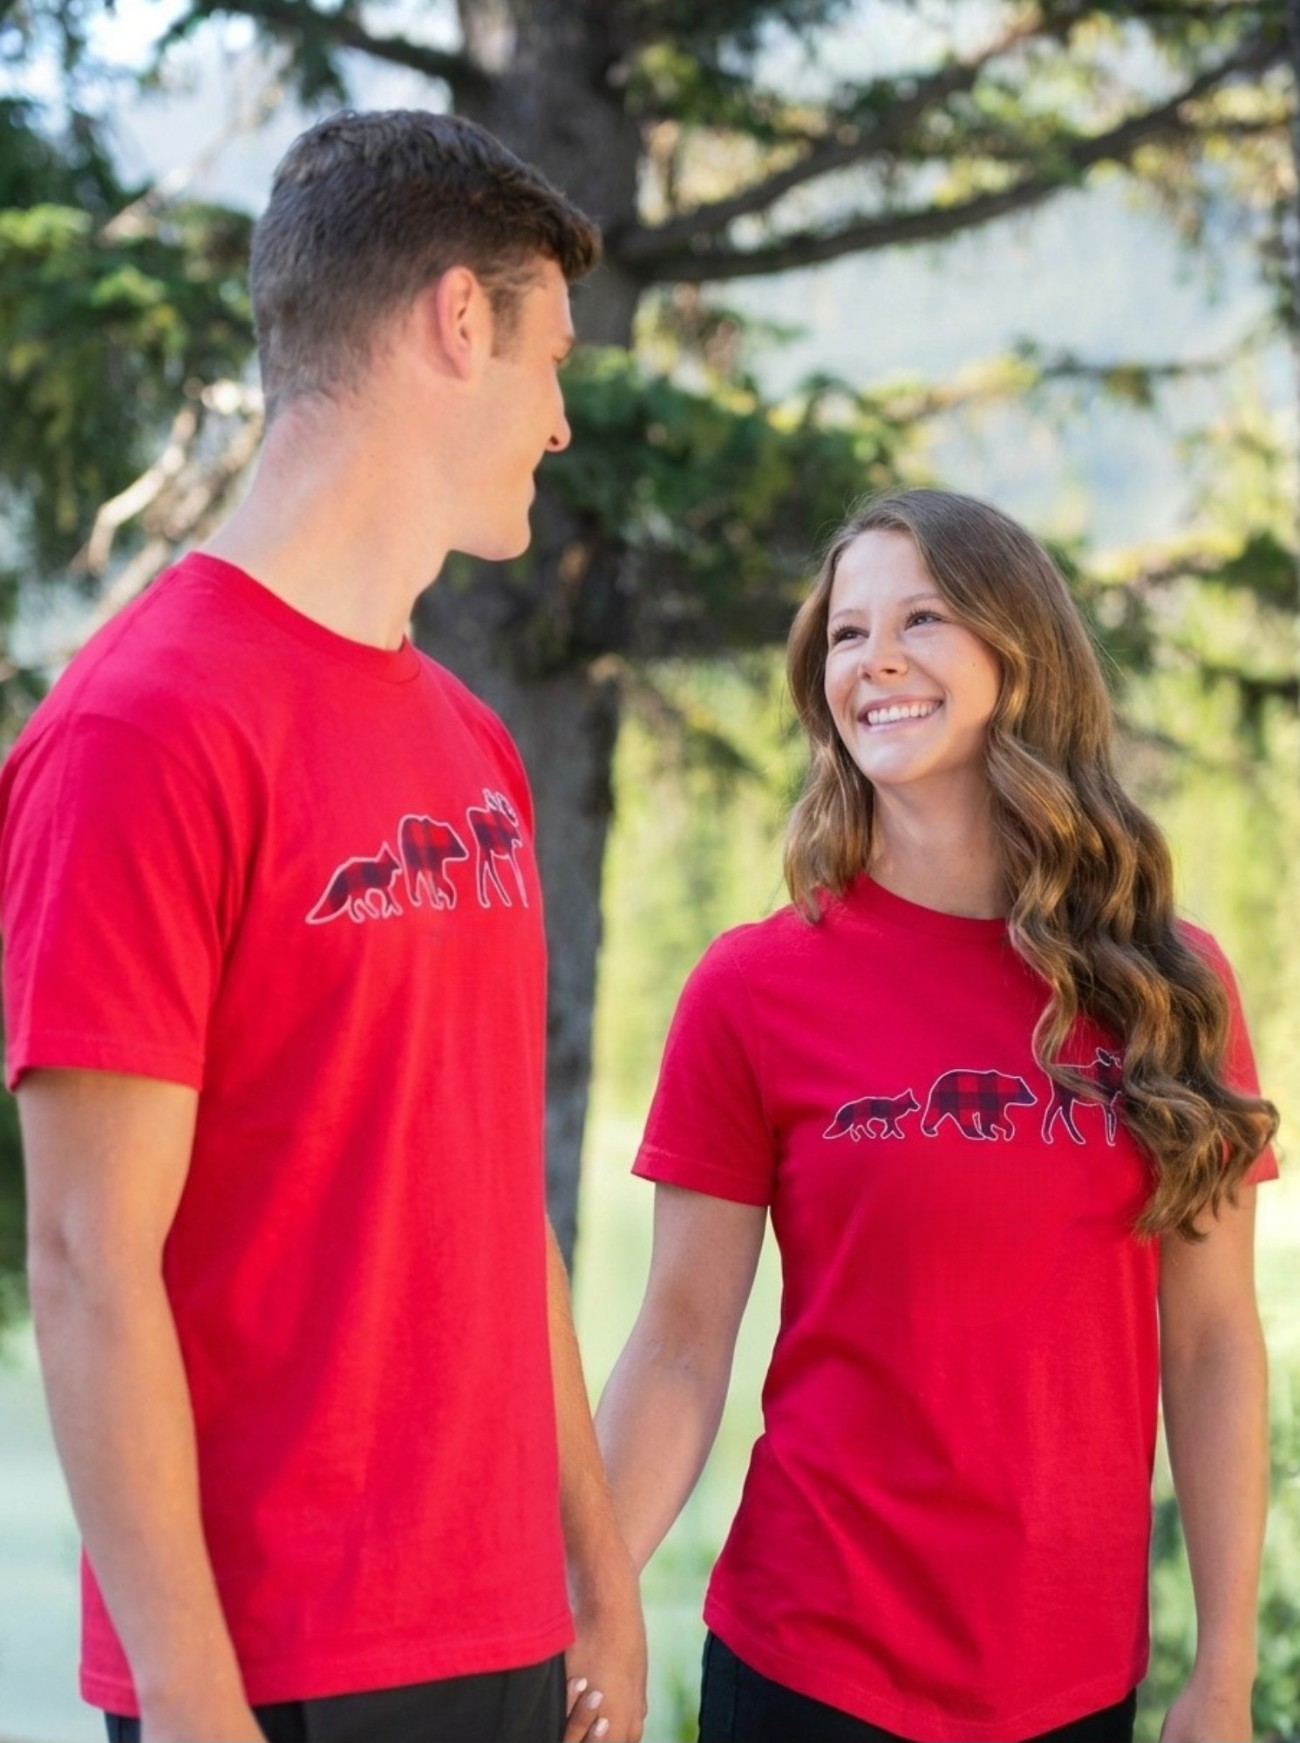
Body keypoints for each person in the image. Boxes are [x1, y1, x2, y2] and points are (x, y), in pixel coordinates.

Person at [1, 109, 645, 1743]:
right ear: (457, 319)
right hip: (276, 1667)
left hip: (505, 1637)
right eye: (548, 358)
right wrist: (197, 1704)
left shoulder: (472, 741)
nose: (561, 422)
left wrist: (600, 1571)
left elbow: (501, 1192)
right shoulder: (139, 731)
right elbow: (87, 1262)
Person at [595, 488, 1278, 1743]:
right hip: (812, 1664)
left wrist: (1221, 1669)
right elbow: (681, 1346)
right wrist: (590, 1600)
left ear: (1021, 656)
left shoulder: (1171, 988)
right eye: (845, 635)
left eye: (922, 617)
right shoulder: (753, 989)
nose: (878, 659)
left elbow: (1215, 1343)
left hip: (1073, 1682)